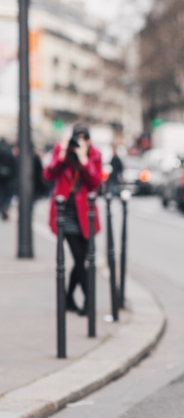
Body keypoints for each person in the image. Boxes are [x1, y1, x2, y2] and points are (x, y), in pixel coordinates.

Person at [43, 124, 102, 315]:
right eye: (78, 138)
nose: (80, 142)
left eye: (84, 138)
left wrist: (85, 159)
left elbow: (96, 183)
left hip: (86, 216)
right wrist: (61, 157)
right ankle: (89, 302)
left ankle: (68, 299)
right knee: (79, 258)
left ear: (89, 141)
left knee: (81, 260)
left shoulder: (94, 155)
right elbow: (48, 175)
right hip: (65, 214)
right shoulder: (62, 152)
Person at [0, 139, 16, 220]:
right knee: (8, 194)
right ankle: (5, 207)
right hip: (8, 177)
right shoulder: (9, 151)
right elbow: (13, 164)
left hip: (1, 177)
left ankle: (3, 207)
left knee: (2, 193)